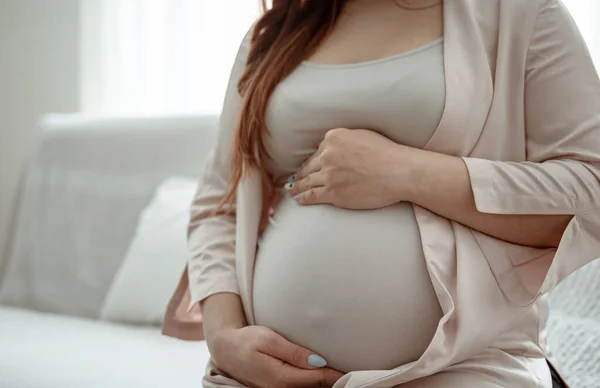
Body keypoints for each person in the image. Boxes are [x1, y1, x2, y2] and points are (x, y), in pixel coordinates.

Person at [163, 0, 600, 387]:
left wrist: (406, 172)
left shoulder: (521, 12)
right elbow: (218, 206)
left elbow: (591, 189)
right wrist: (224, 339)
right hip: (267, 377)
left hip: (463, 366)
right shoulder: (275, 33)